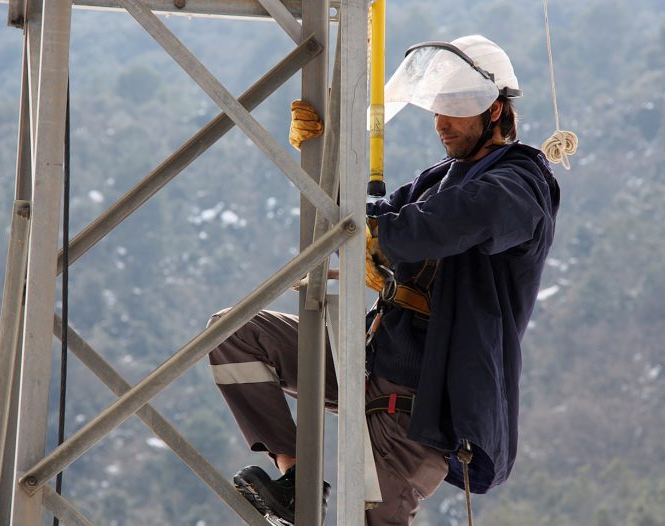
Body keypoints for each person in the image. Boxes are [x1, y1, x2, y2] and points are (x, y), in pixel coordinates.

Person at [208, 35, 560, 525]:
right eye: (437, 109)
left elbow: (444, 222)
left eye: (455, 110)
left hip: (421, 405)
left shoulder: (522, 185)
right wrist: (325, 159)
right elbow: (369, 214)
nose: (441, 124)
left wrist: (376, 236)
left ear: (496, 111)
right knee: (235, 332)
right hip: (370, 360)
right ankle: (294, 476)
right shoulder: (441, 178)